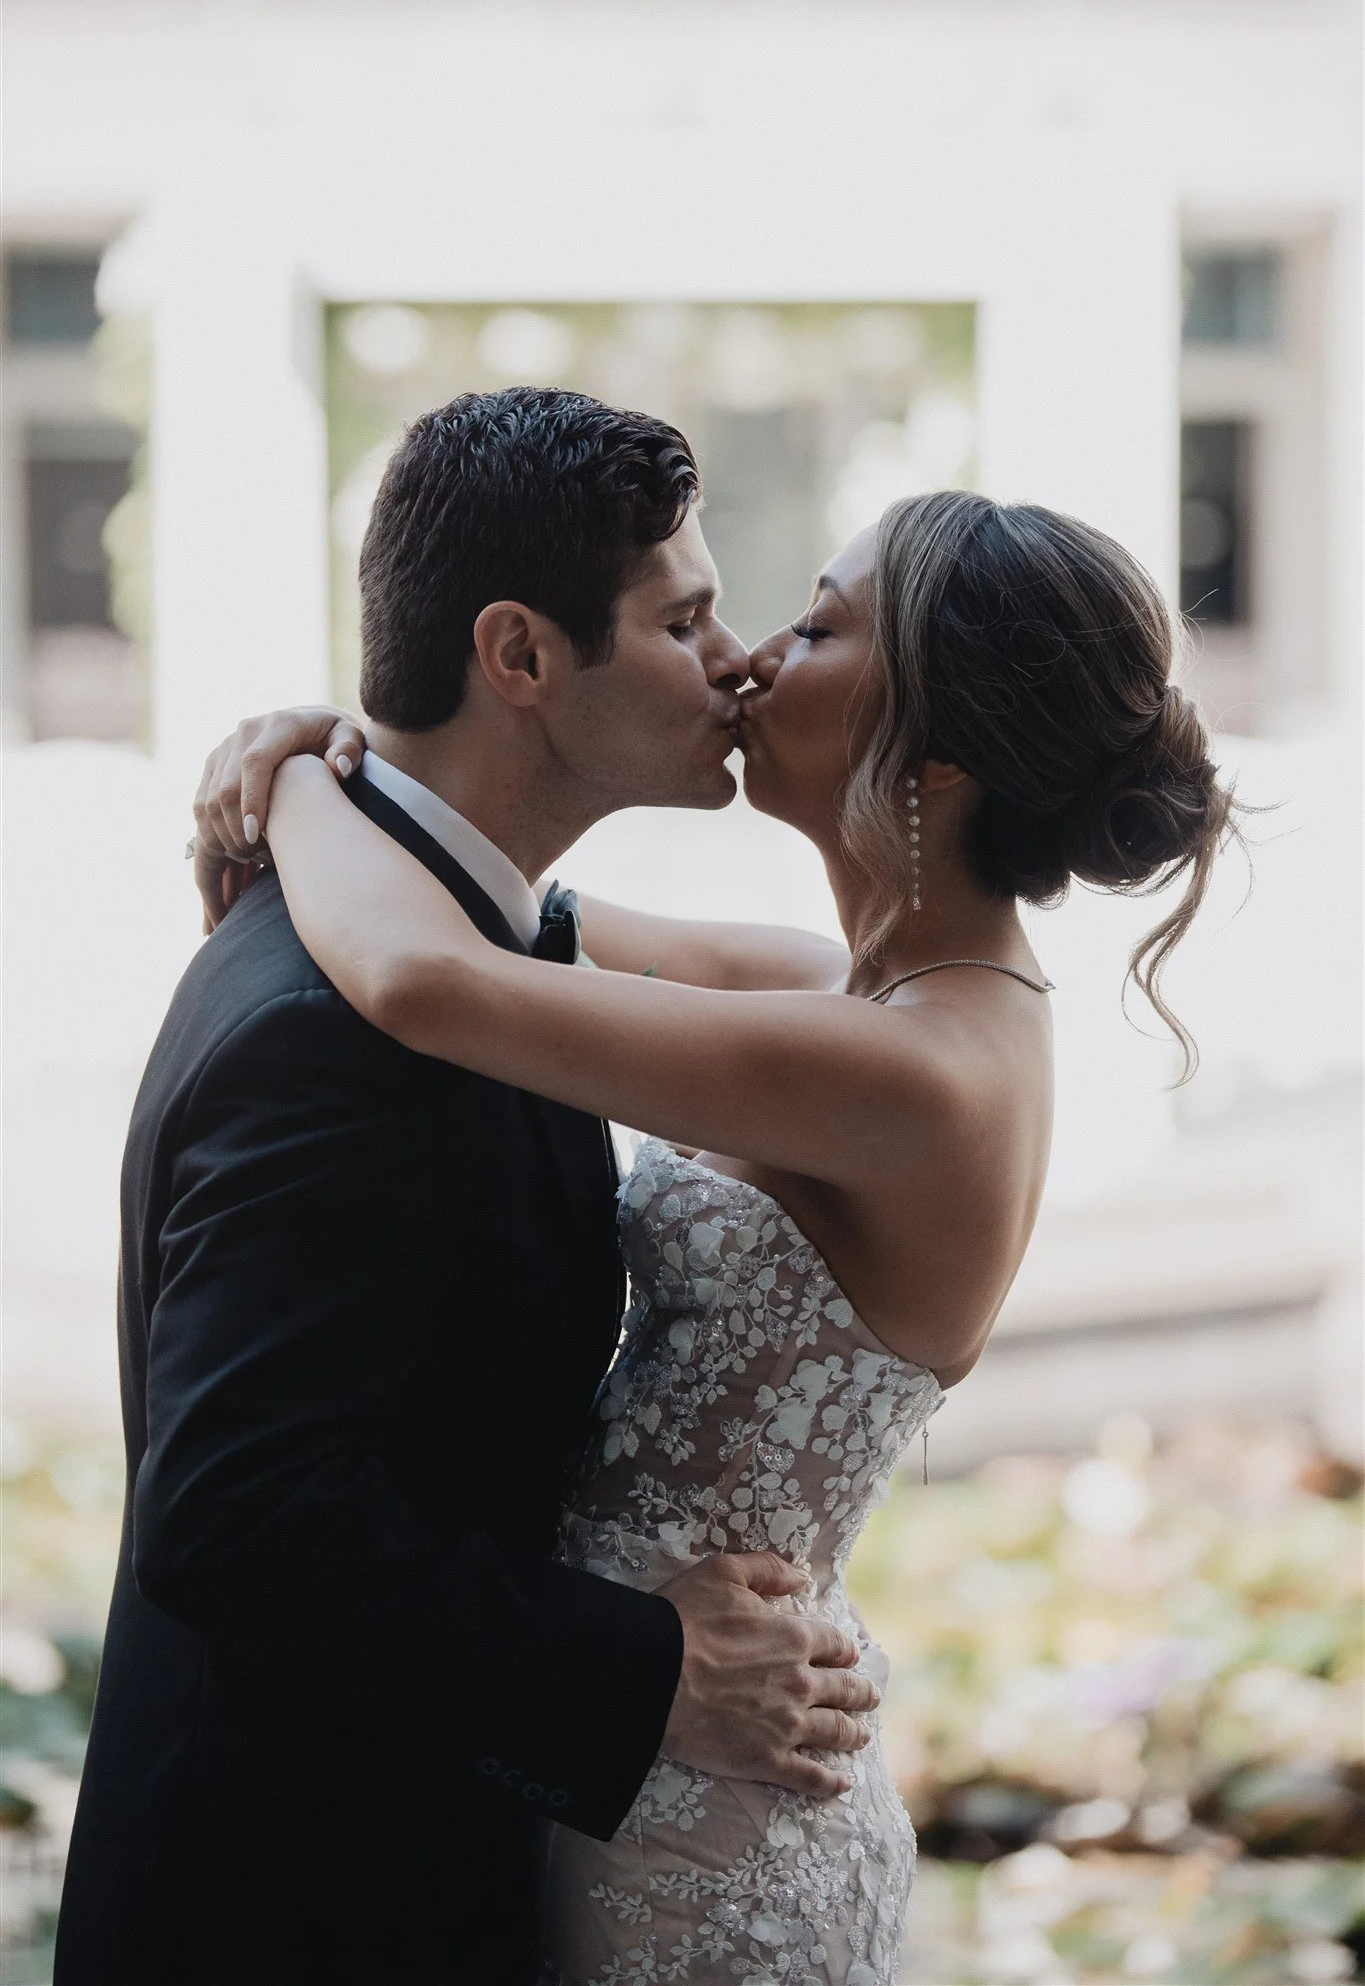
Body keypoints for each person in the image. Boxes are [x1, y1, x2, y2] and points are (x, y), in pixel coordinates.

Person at [192, 482, 1239, 1983]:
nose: (748, 659)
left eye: (816, 627)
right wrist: (340, 768)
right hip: (617, 1748)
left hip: (713, 1847)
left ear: (935, 751)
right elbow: (511, 911)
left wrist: (296, 775)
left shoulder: (914, 1077)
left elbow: (427, 980)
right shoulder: (846, 991)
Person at [54, 390, 883, 1986]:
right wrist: (647, 1668)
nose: (732, 660)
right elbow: (233, 1515)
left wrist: (293, 776)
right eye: (683, 616)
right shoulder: (339, 1030)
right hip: (285, 1907)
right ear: (518, 658)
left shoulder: (461, 933)